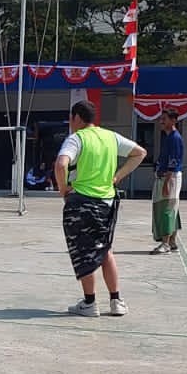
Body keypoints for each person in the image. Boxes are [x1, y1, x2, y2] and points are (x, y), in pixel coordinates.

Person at [53, 100, 147, 318]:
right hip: (106, 202)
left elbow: (60, 164)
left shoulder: (76, 139)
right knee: (105, 249)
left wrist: (63, 188)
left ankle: (90, 302)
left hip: (82, 201)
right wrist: (117, 177)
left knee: (84, 252)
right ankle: (116, 300)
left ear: (76, 118)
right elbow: (140, 153)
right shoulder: (110, 137)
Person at [150, 108, 184, 254]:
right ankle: (172, 241)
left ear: (174, 120)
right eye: (161, 119)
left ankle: (165, 244)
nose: (161, 121)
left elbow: (174, 162)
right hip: (164, 175)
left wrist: (166, 182)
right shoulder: (167, 137)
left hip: (169, 176)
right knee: (171, 209)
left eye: (165, 119)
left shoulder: (175, 138)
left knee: (167, 209)